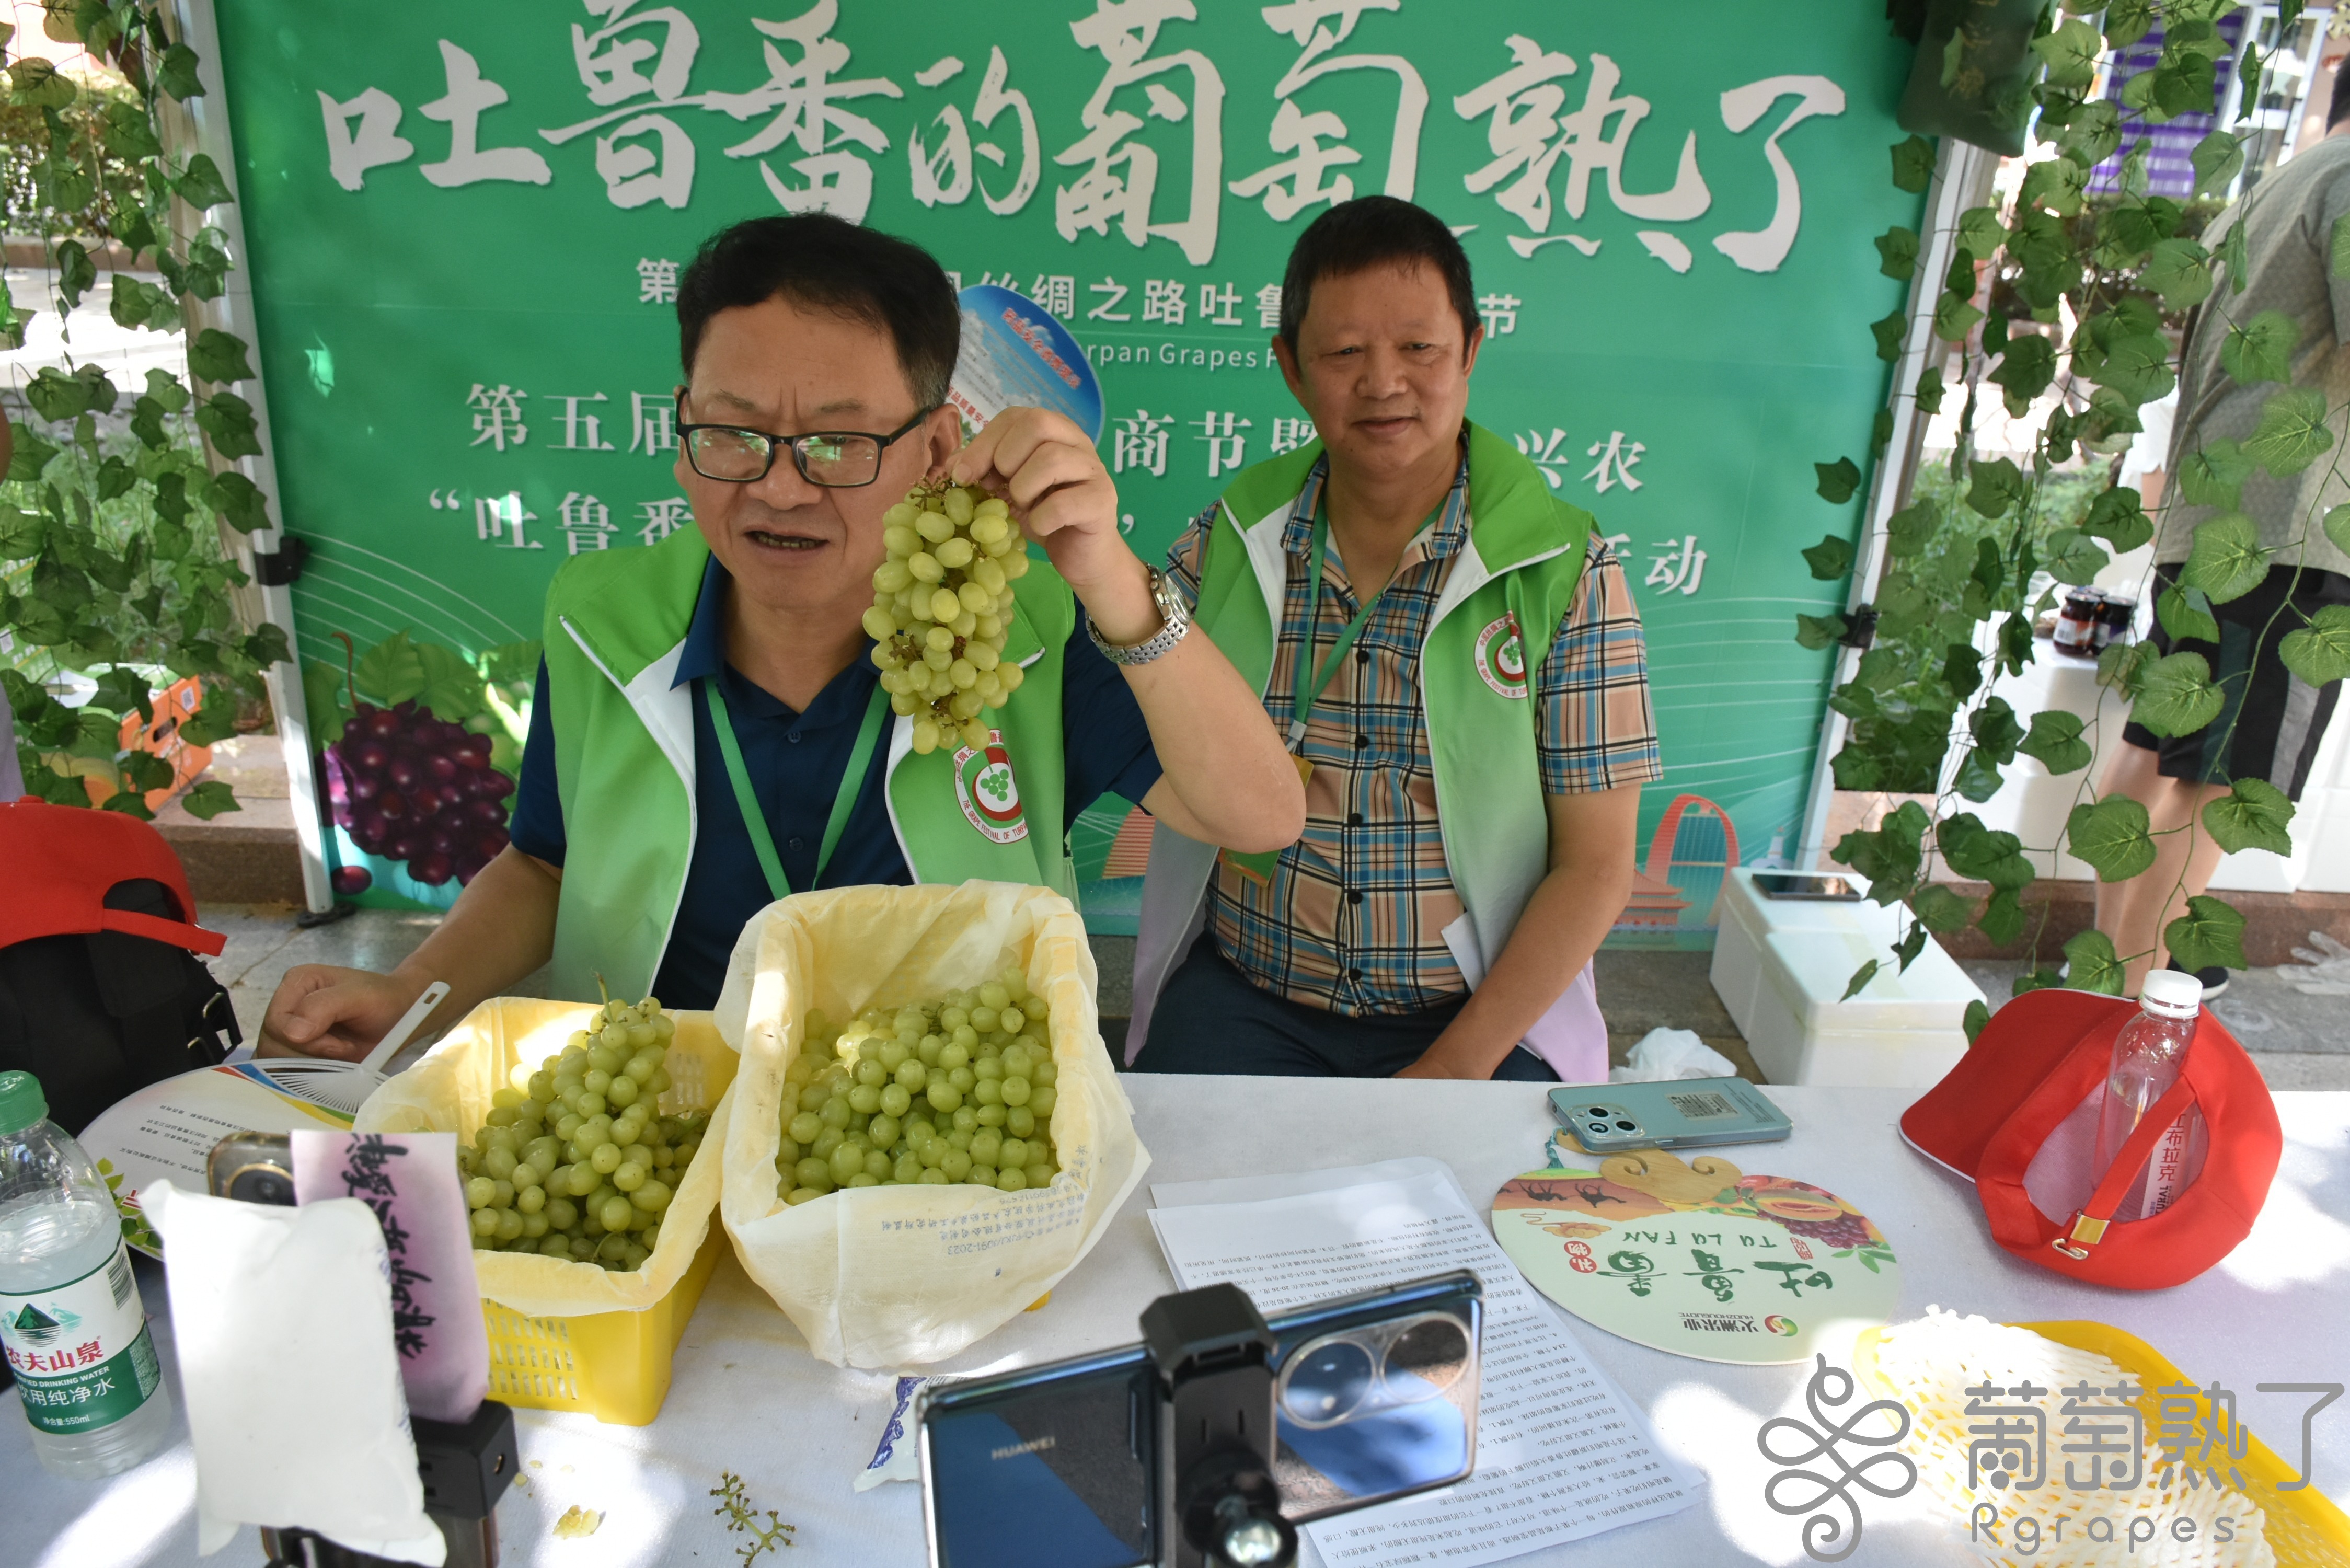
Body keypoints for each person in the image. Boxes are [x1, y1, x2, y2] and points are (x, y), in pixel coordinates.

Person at [261, 214, 1303, 1058]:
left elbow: (1258, 815)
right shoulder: (603, 619)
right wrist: (410, 994)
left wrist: (1107, 572)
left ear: (937, 445)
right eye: (734, 431)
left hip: (939, 1132)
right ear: (682, 429)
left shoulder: (1015, 632)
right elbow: (543, 864)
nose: (778, 484)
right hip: (669, 1120)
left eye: (840, 442)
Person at [1126, 197, 1662, 1082]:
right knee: (1173, 1197)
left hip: (1482, 1017)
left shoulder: (1566, 570)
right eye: (1344, 354)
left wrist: (1455, 1068)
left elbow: (1598, 866)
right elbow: (1124, 700)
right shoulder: (1227, 542)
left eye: (1419, 349)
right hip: (1250, 999)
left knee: (1491, 1218)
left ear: (1472, 352)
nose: (1383, 384)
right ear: (1292, 370)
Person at [2094, 71, 2350, 1000]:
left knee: (2158, 758)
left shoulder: (2278, 183)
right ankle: (2138, 1008)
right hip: (2288, 539)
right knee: (2221, 788)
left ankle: (2109, 980)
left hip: (2213, 525)